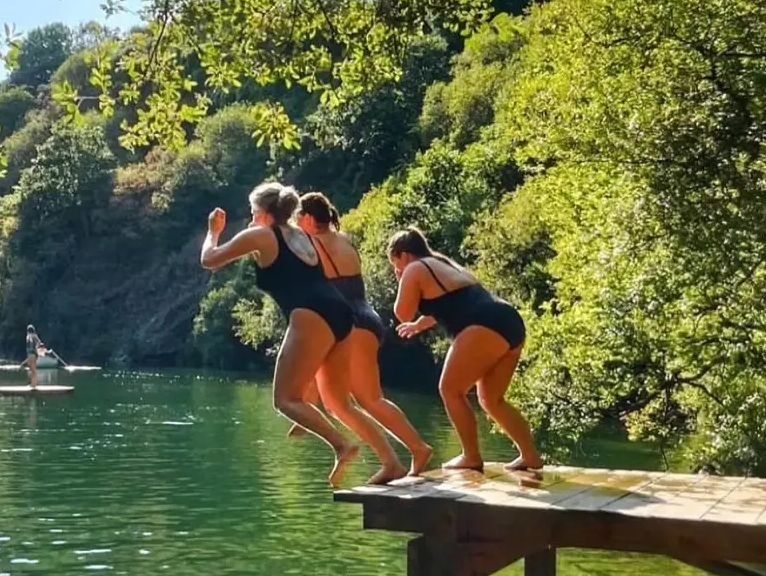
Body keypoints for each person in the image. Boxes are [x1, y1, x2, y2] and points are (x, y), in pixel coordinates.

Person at [201, 181, 407, 484]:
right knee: (339, 402)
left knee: (284, 400)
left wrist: (213, 231)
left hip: (310, 314)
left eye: (252, 210)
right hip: (342, 314)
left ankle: (342, 445)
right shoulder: (300, 235)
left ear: (261, 211)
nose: (251, 215)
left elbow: (209, 260)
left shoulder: (261, 233)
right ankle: (392, 463)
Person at [296, 192, 433, 480]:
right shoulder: (344, 240)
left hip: (343, 322)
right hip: (367, 318)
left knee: (336, 404)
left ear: (308, 218)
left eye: (298, 218)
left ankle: (390, 462)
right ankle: (417, 448)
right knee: (372, 399)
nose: (296, 224)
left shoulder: (311, 244)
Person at [388, 227, 542, 475]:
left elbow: (402, 312)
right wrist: (419, 326)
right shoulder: (443, 263)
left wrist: (402, 279)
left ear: (403, 255)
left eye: (395, 263)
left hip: (483, 324)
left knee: (450, 389)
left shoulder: (414, 268)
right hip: (508, 321)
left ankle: (471, 456)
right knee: (491, 400)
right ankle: (530, 455)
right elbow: (446, 303)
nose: (397, 269)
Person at [25, 324, 45, 388]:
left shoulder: (30, 336)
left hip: (31, 354)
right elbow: (39, 342)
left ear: (28, 330)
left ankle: (33, 385)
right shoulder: (34, 336)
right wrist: (36, 347)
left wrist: (35, 348)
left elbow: (37, 342)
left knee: (33, 370)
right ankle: (32, 384)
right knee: (32, 370)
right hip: (33, 354)